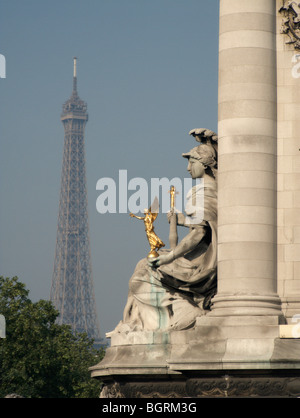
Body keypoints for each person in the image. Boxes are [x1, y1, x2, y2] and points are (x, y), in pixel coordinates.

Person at [115, 142, 218, 332]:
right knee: (144, 266)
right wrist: (182, 220)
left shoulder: (202, 193)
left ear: (204, 164)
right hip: (204, 259)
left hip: (200, 265)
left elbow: (199, 233)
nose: (188, 168)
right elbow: (205, 225)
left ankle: (183, 312)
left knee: (143, 272)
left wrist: (170, 257)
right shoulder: (212, 192)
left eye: (192, 161)